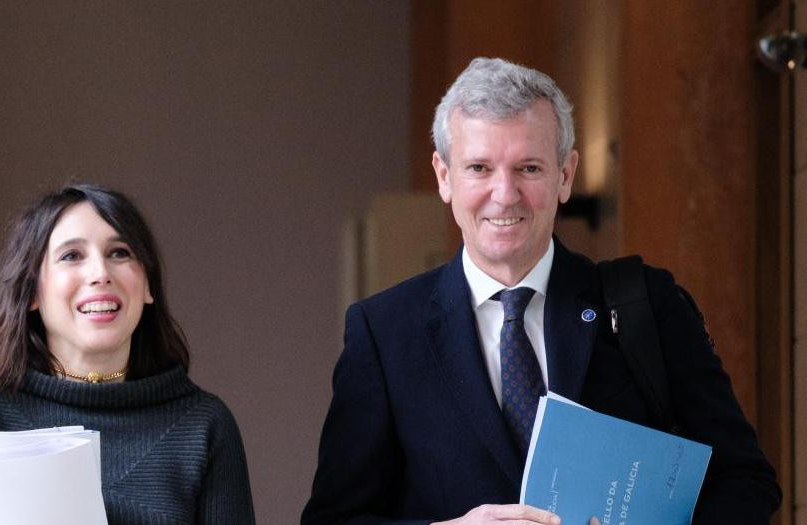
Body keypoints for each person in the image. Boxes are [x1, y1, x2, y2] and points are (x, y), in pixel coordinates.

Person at [302, 58, 781, 524]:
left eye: (528, 168)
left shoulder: (646, 305)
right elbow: (332, 519)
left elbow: (747, 483)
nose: (504, 194)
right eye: (479, 168)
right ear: (444, 177)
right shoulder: (385, 333)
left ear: (565, 175)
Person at [0, 184, 255, 524]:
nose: (100, 272)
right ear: (32, 292)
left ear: (148, 285)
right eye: (72, 256)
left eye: (120, 253)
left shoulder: (205, 425)